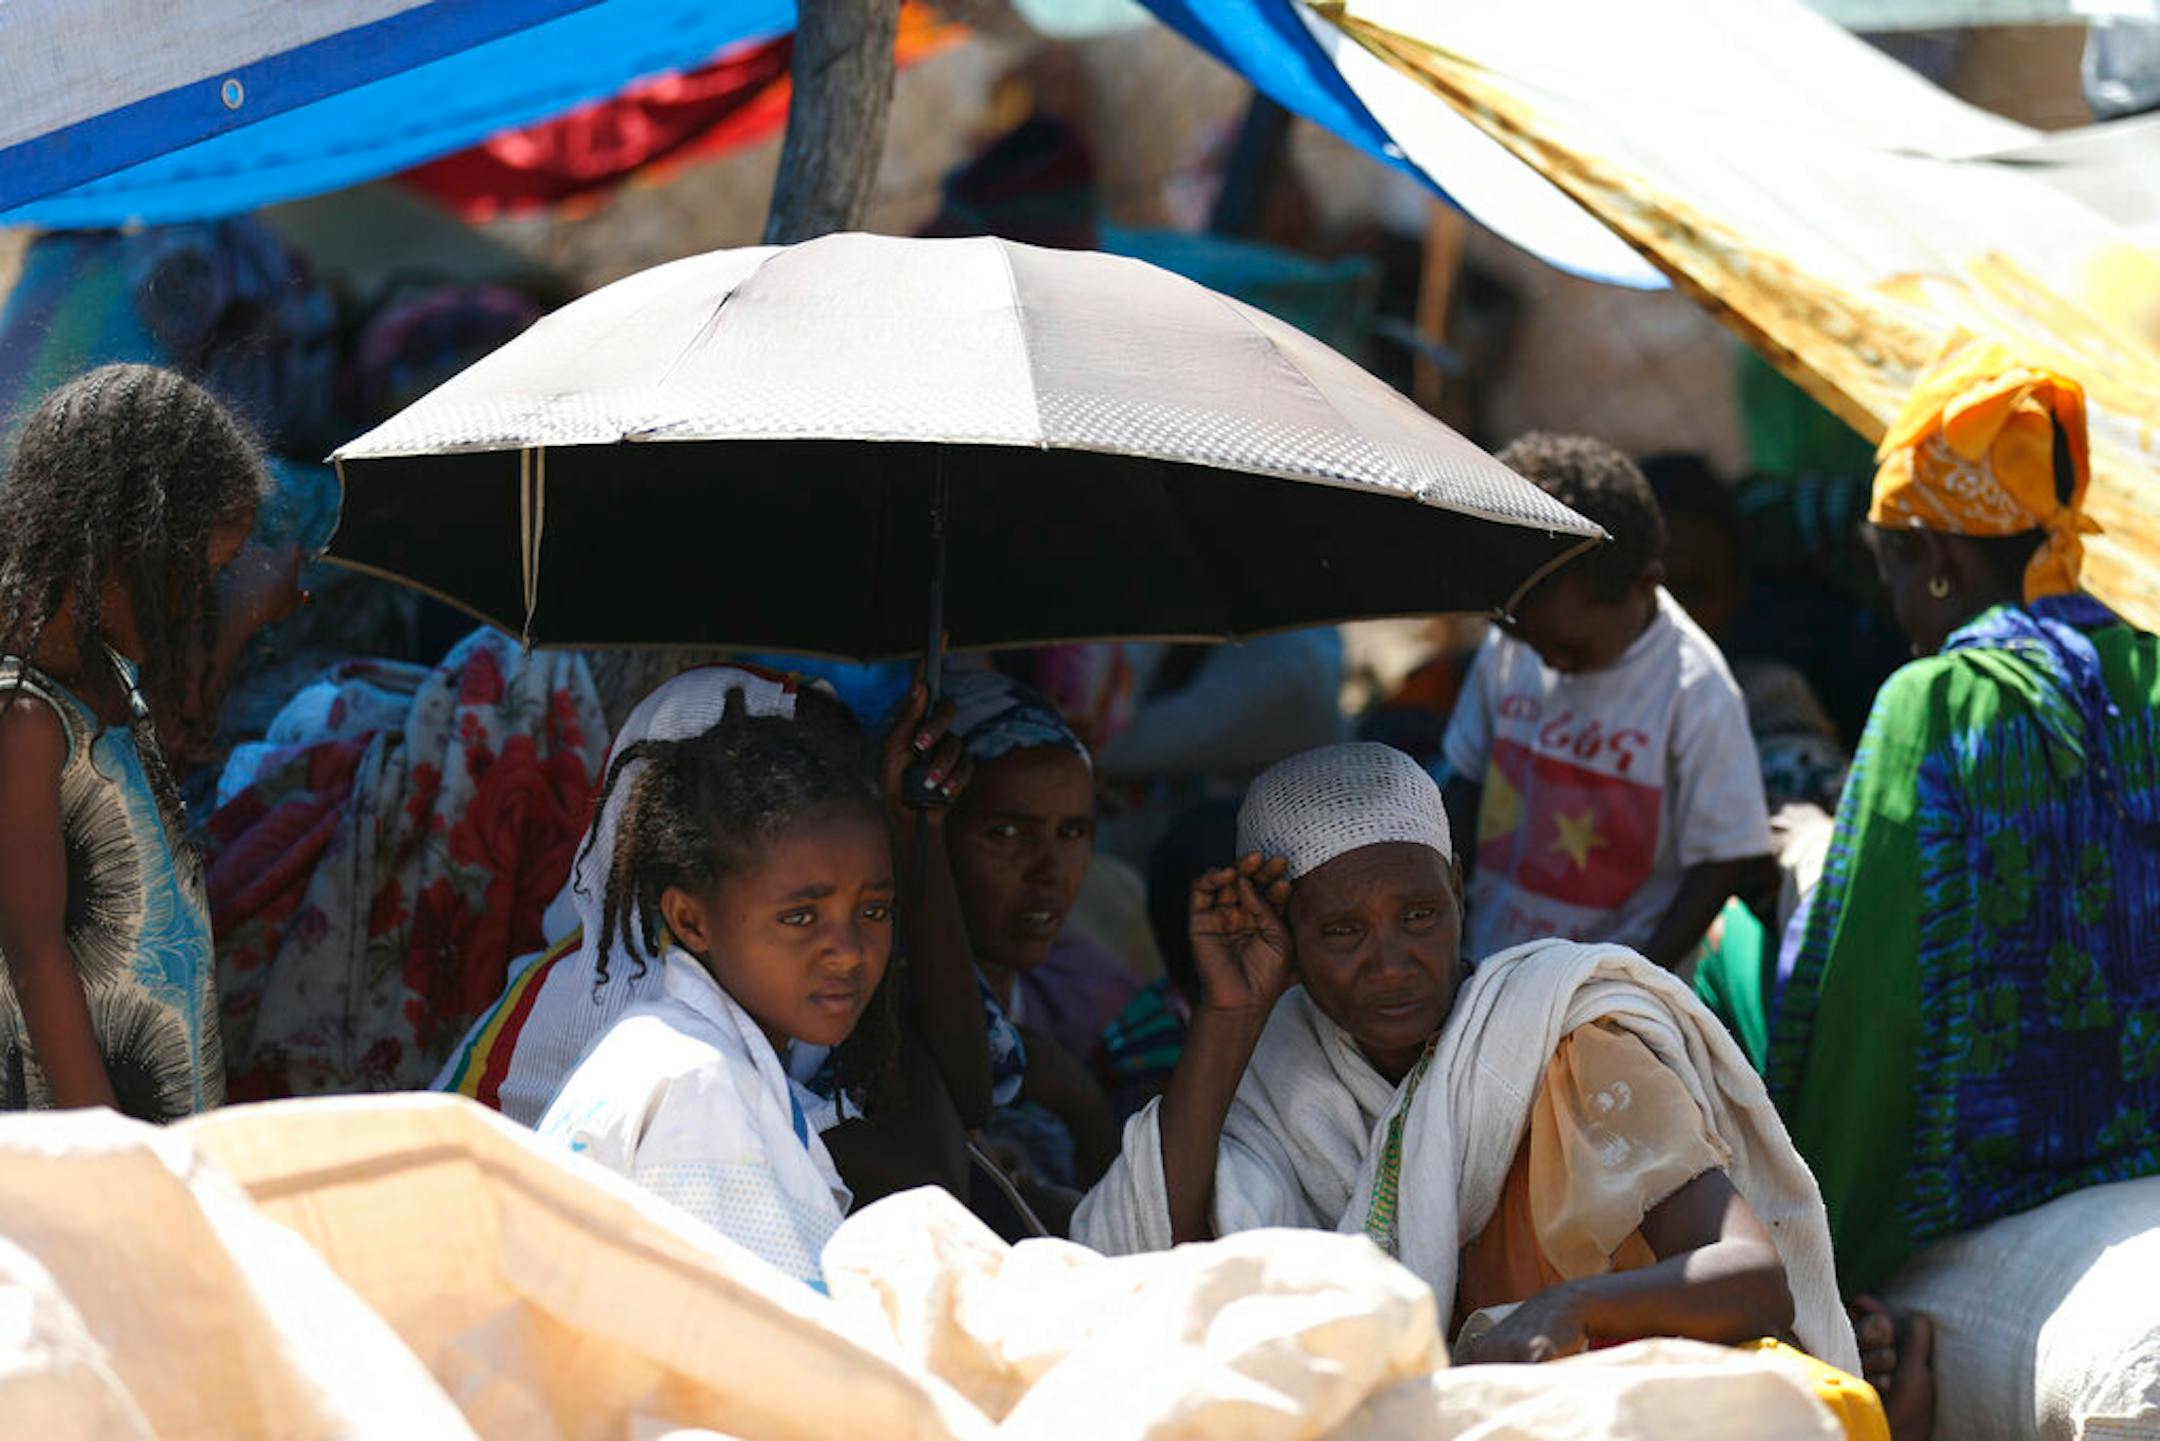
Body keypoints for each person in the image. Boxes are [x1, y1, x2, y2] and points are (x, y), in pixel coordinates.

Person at [1072, 744, 1877, 1431]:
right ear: (1284, 934)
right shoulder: (1279, 1080)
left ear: (1458, 886)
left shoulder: (1556, 1036)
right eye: (1342, 930)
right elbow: (1140, 1263)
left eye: (1418, 913)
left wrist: (1576, 1308)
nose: (1391, 960)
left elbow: (1749, 1274)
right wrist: (1228, 1011)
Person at [1766, 336, 2160, 1441]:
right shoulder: (2153, 674)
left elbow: (1868, 1001)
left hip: (1985, 1200)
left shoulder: (1934, 704)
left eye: (1890, 563)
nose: (1893, 600)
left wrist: (1811, 1245)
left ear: (1937, 555)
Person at [439, 665, 991, 1209]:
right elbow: (928, 1177)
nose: (846, 950)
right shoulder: (636, 999)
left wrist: (919, 835)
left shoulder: (769, 962)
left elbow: (967, 1098)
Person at [0, 365, 305, 1122]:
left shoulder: (104, 675)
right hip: (87, 1139)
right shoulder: (25, 719)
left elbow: (166, 750)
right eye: (198, 576)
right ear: (118, 546)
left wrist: (240, 619)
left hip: (155, 1113)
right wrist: (110, 1149)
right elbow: (31, 947)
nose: (201, 602)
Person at [536, 688, 903, 1288]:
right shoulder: (697, 1088)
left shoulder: (690, 1057)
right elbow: (772, 1346)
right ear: (691, 921)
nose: (849, 950)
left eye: (875, 912)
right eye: (800, 918)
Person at [1440, 434, 1771, 971]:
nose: (1549, 664)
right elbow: (1467, 780)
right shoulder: (1512, 641)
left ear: (1645, 585)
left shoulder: (1693, 688)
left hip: (1609, 991)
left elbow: (1723, 857)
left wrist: (1638, 977)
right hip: (1489, 959)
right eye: (1532, 643)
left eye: (1570, 647)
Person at [943, 667, 1127, 1203]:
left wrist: (1082, 1101)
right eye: (1005, 832)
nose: (1049, 868)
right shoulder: (869, 1023)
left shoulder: (1096, 998)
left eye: (1072, 832)